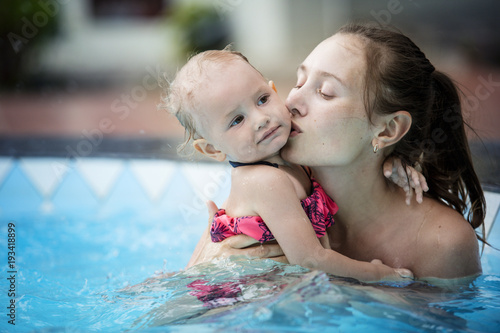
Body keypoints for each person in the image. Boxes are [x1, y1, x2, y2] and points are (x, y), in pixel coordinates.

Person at [187, 23, 486, 282]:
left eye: (325, 92)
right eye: (299, 81)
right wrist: (217, 261)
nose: (291, 102)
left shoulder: (441, 244)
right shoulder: (269, 185)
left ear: (387, 131)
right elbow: (185, 296)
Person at [162, 48, 424, 282]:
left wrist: (391, 162)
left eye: (262, 99)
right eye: (237, 120)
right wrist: (377, 274)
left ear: (275, 91)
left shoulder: (289, 156)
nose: (261, 119)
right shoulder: (265, 181)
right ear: (212, 149)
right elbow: (310, 260)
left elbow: (350, 164)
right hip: (229, 298)